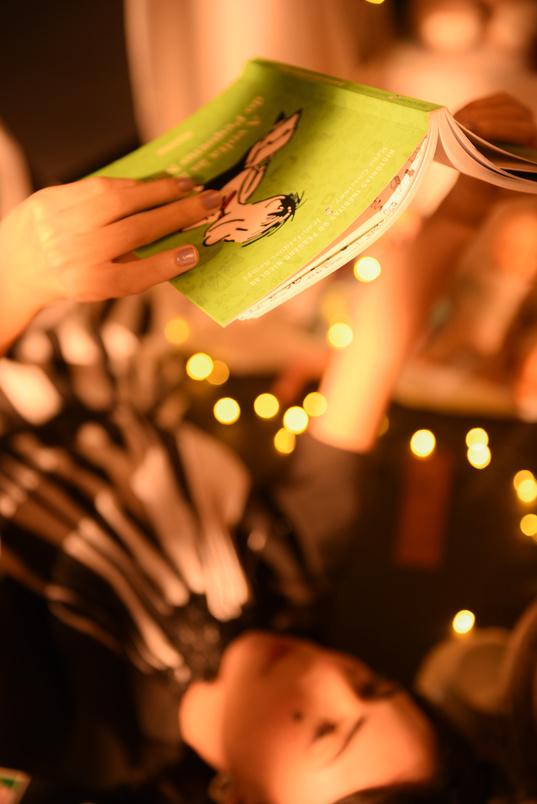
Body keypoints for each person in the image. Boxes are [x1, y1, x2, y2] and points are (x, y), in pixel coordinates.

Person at [0, 94, 535, 804]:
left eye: (324, 731)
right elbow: (370, 363)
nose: (328, 677)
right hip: (80, 305)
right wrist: (472, 186)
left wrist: (15, 279)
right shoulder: (289, 579)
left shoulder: (73, 728)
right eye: (369, 685)